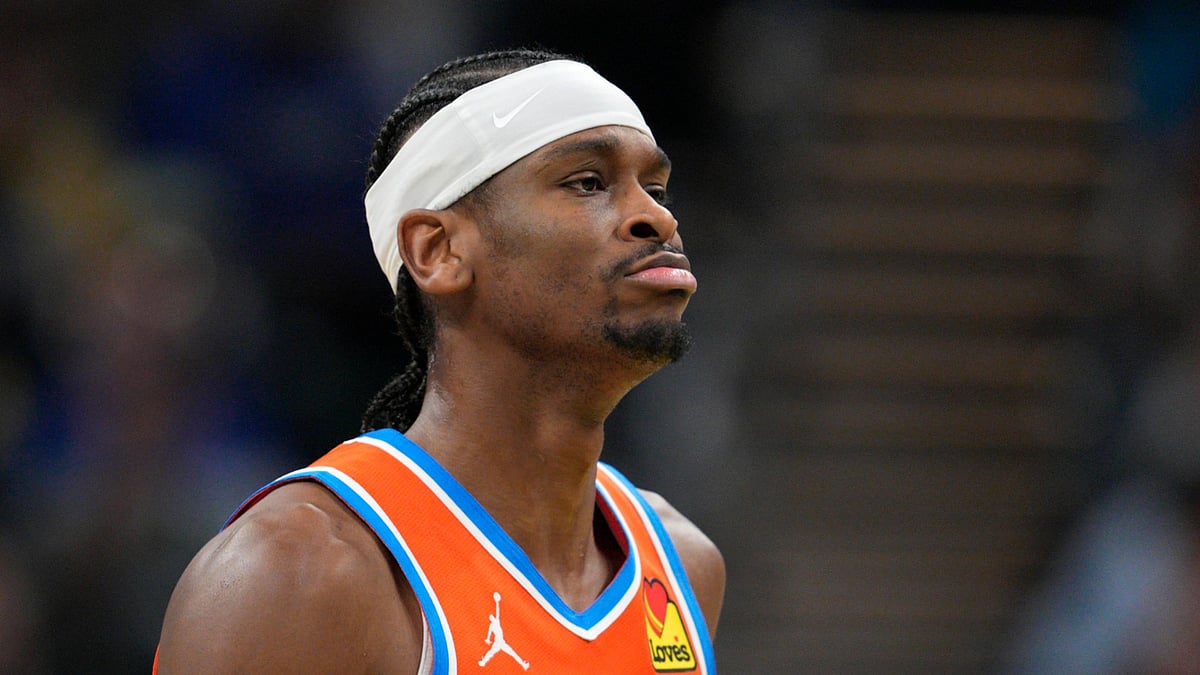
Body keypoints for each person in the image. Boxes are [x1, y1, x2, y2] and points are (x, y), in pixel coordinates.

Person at [155, 48, 725, 673]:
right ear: (438, 251)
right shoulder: (299, 572)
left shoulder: (682, 563)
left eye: (657, 187)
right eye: (587, 182)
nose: (657, 217)